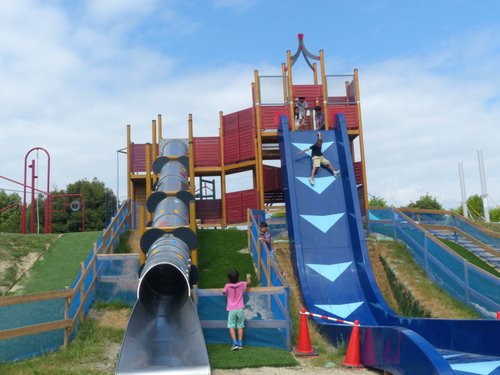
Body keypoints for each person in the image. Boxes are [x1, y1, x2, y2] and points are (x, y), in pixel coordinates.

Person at [223, 269, 252, 350]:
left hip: (232, 309)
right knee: (240, 325)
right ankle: (240, 343)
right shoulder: (242, 284)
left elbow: (224, 292)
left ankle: (234, 343)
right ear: (238, 277)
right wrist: (248, 276)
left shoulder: (227, 286)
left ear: (229, 278)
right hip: (240, 309)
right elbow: (248, 282)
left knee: (231, 326)